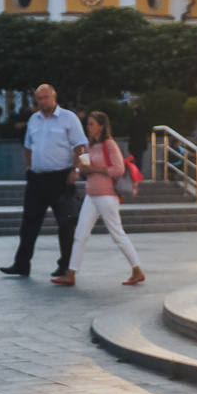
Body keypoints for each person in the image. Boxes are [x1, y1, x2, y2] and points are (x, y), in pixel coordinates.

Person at [4, 84, 83, 280]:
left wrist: (75, 170)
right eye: (39, 99)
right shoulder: (34, 119)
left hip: (61, 177)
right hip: (37, 179)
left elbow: (79, 146)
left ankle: (65, 266)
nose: (43, 102)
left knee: (65, 223)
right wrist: (29, 167)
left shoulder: (68, 118)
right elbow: (28, 146)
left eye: (46, 98)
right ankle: (21, 264)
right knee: (29, 222)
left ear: (54, 97)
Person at [60, 110, 144, 287]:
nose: (88, 127)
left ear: (101, 126)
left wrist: (95, 170)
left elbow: (119, 169)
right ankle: (70, 274)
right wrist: (83, 168)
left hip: (107, 196)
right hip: (91, 195)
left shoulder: (109, 144)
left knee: (117, 235)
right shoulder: (89, 146)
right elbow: (88, 168)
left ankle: (137, 270)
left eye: (91, 124)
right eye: (88, 124)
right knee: (80, 234)